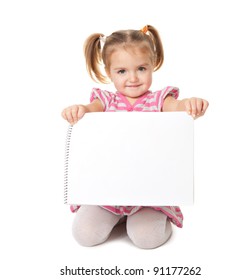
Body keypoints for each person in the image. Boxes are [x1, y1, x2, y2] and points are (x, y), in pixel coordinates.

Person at [62, 25, 209, 249]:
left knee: (147, 239)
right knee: (84, 235)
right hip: (107, 192)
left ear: (153, 65)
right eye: (121, 71)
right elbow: (89, 109)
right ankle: (118, 217)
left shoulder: (161, 99)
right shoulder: (106, 101)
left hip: (149, 194)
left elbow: (178, 108)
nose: (133, 78)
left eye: (141, 68)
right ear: (109, 72)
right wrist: (78, 109)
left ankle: (153, 218)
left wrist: (189, 105)